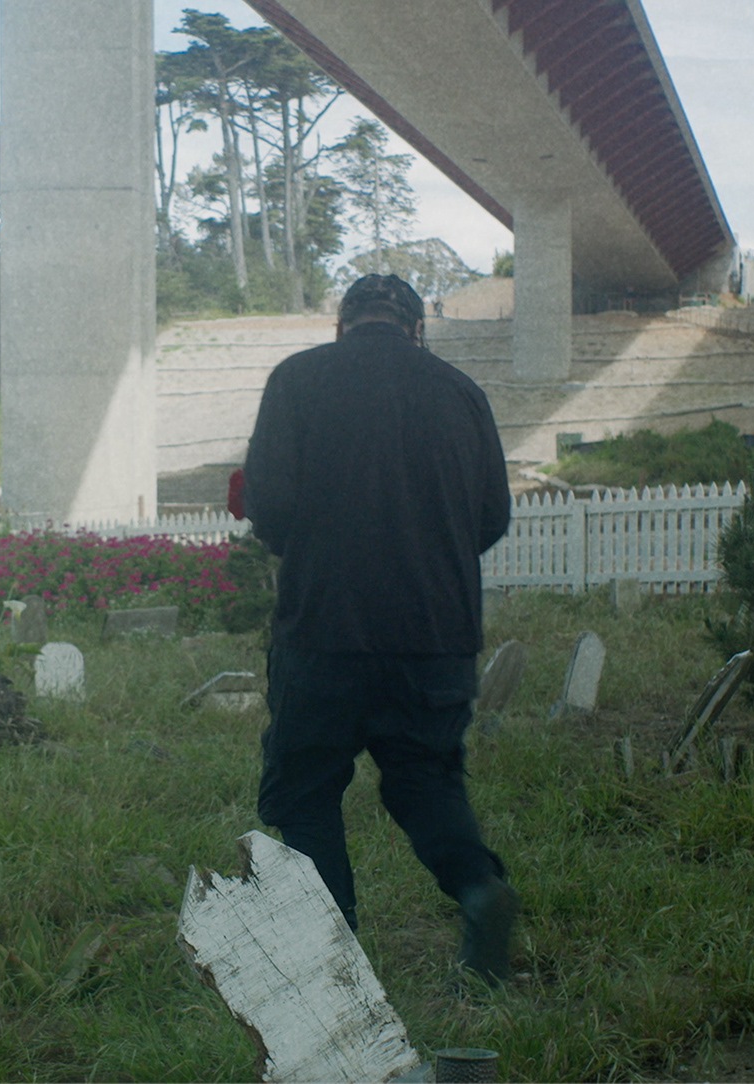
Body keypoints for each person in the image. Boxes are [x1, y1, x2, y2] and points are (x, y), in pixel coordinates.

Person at [242, 273, 518, 982]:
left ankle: (332, 964)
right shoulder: (462, 393)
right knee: (426, 780)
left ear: (341, 325)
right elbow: (492, 517)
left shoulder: (296, 380)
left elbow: (268, 506)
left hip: (323, 627)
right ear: (417, 330)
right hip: (435, 634)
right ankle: (479, 889)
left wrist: (316, 554)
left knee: (305, 790)